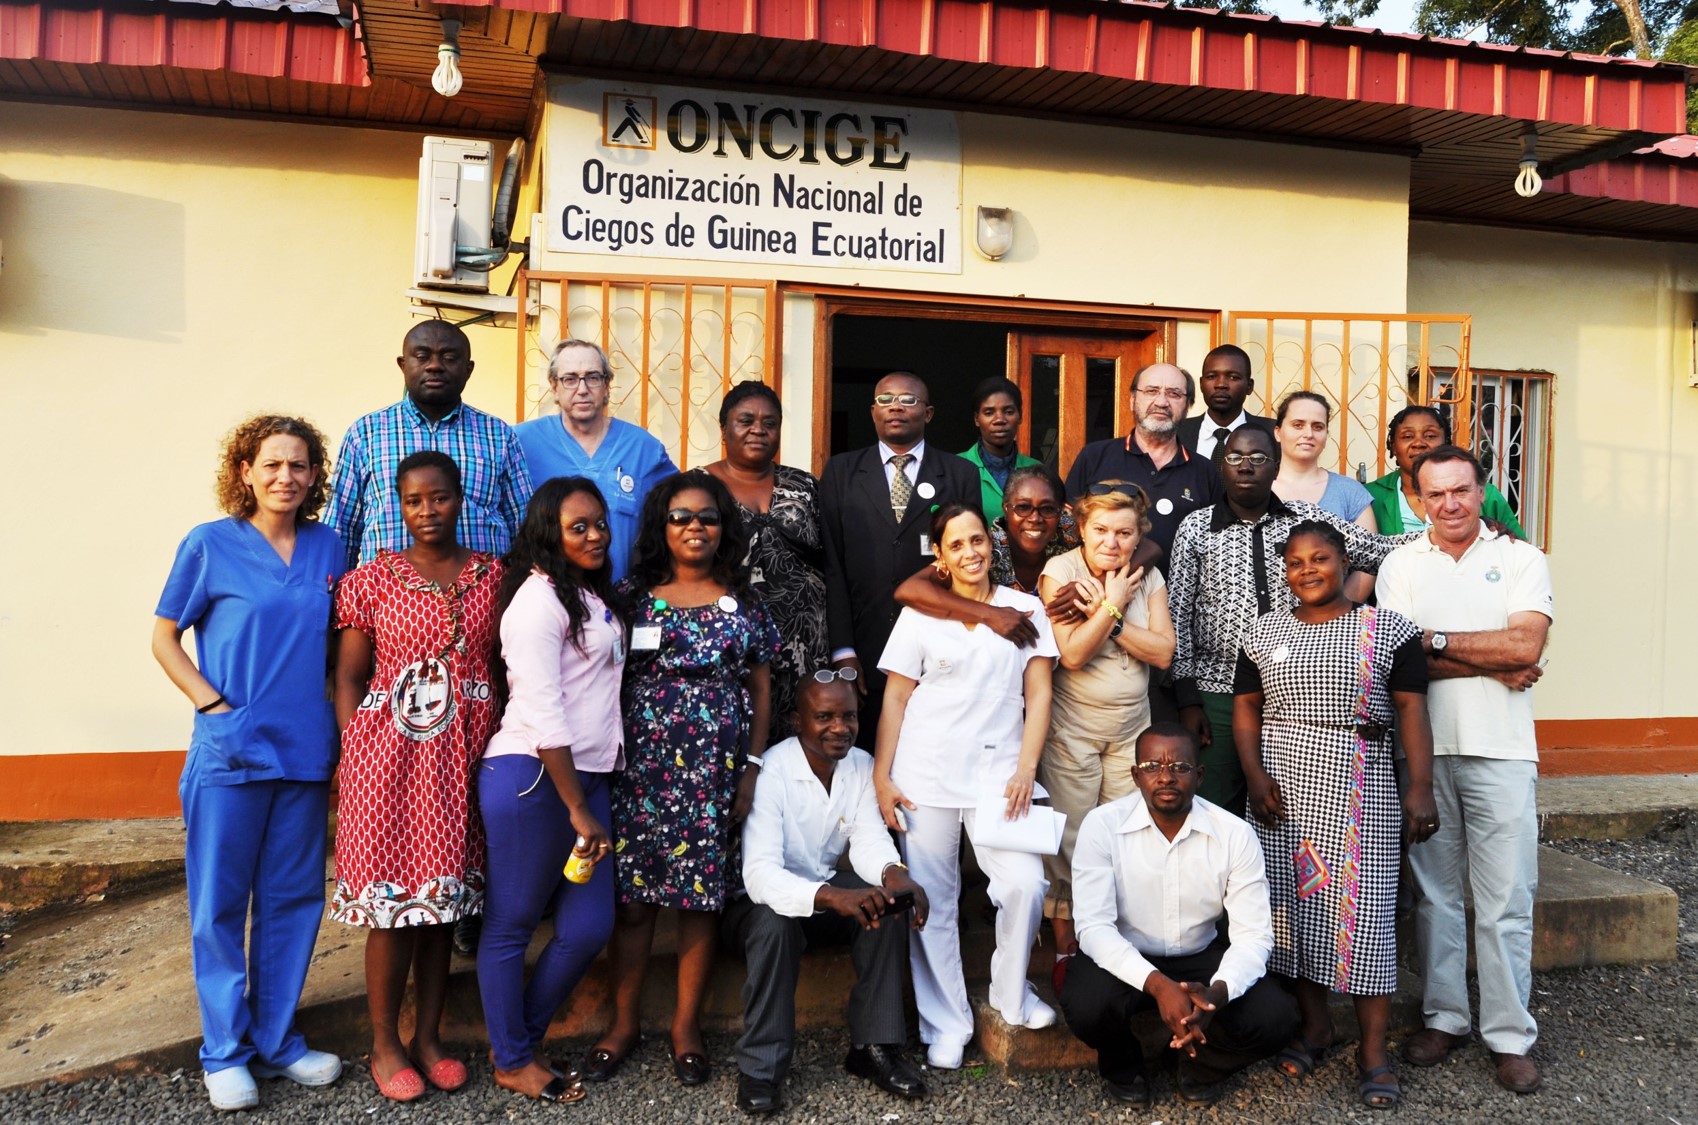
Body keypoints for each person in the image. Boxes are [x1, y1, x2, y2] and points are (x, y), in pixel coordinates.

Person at [151, 415, 347, 1111]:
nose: (285, 477)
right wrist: (213, 707)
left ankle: (277, 1040)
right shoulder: (210, 544)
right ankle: (224, 1052)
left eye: (298, 465)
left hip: (305, 750)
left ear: (314, 475)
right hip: (231, 751)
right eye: (271, 464)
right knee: (220, 904)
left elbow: (340, 646)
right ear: (244, 471)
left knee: (293, 899)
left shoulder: (330, 546)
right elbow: (165, 637)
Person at [1232, 520, 1439, 1110]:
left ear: (1344, 561)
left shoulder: (1388, 629)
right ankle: (1317, 1027)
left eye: (1319, 559)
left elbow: (1411, 710)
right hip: (1281, 789)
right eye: (1295, 563)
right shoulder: (1262, 631)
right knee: (1293, 911)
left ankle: (1373, 1052)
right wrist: (1254, 776)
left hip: (1360, 787)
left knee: (1366, 919)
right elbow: (1246, 709)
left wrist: (1420, 788)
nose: (1307, 571)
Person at [587, 470, 780, 1087]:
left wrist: (751, 768)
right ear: (661, 527)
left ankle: (685, 1028)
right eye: (680, 517)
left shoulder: (744, 600)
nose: (695, 527)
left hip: (714, 773)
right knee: (634, 903)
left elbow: (761, 688)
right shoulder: (629, 597)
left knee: (700, 901)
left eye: (707, 517)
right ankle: (622, 1025)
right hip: (641, 770)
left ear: (723, 528)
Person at [1376, 445, 1553, 1096]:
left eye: (1460, 490)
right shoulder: (1400, 564)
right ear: (1419, 499)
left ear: (1482, 491)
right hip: (1422, 752)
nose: (1449, 504)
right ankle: (1445, 1017)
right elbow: (1399, 661)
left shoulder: (1522, 559)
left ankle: (1509, 1036)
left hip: (1502, 750)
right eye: (1435, 493)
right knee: (1435, 895)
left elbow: (1526, 643)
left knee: (1506, 900)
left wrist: (1438, 642)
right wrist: (1491, 661)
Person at [330, 451, 501, 1101]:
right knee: (393, 907)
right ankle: (385, 1044)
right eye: (413, 500)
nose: (427, 510)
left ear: (460, 499)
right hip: (388, 762)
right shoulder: (371, 580)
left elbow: (503, 667)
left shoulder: (493, 576)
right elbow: (349, 677)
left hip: (464, 759)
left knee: (442, 903)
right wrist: (355, 754)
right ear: (398, 507)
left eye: (439, 497)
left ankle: (429, 1038)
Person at [873, 503, 1059, 1070]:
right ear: (940, 555)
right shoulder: (921, 614)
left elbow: (1040, 694)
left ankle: (1010, 993)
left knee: (1024, 885)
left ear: (991, 542)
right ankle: (946, 1022)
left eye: (976, 539)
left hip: (1001, 775)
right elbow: (897, 697)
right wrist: (882, 774)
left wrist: (1027, 767)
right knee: (932, 898)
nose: (970, 552)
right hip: (925, 771)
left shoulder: (1024, 608)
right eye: (956, 545)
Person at [1168, 427, 1414, 814]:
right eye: (1235, 458)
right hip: (1218, 692)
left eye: (1258, 458)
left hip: (1295, 694)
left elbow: (1377, 550)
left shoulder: (1305, 518)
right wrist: (1187, 700)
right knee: (1216, 808)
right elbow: (1178, 613)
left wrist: (1453, 533)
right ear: (1222, 467)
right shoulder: (1197, 528)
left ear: (1276, 465)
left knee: (1287, 808)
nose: (1245, 467)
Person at [476, 477, 625, 1105]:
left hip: (586, 778)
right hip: (534, 778)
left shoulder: (589, 594)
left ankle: (519, 1041)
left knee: (589, 926)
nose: (594, 535)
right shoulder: (536, 602)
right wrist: (575, 806)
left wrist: (586, 795)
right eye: (577, 527)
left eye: (599, 523)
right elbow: (541, 710)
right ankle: (513, 1059)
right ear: (548, 533)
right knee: (512, 923)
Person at [1060, 723, 1299, 1109]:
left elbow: (1254, 936)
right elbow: (1094, 928)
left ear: (1199, 775)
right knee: (1086, 1003)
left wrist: (1215, 997)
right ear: (1135, 775)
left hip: (1200, 955)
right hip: (1128, 953)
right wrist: (1159, 985)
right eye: (1152, 766)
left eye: (1180, 767)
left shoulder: (1234, 834)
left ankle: (1197, 1065)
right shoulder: (1102, 826)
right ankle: (1124, 1067)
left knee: (1276, 1018)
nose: (1166, 776)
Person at [725, 671, 932, 1115]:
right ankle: (761, 1068)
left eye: (849, 716)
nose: (840, 727)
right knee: (774, 924)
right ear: (797, 720)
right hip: (756, 908)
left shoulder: (859, 764)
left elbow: (869, 839)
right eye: (825, 717)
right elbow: (760, 875)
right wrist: (833, 897)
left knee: (885, 904)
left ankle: (874, 1048)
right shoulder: (773, 771)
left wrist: (895, 875)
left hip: (821, 898)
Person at [1037, 481, 1174, 985]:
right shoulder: (1060, 572)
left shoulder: (1147, 575)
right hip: (1072, 730)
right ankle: (1066, 950)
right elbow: (1072, 653)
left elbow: (1163, 652)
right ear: (1080, 528)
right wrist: (1114, 604)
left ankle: (1114, 946)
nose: (1111, 542)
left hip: (1131, 730)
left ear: (1139, 535)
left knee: (1122, 838)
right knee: (1069, 839)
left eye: (1124, 533)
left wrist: (1110, 614)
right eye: (1100, 530)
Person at [819, 372, 979, 750]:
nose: (895, 407)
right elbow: (832, 566)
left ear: (928, 413)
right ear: (873, 411)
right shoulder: (841, 472)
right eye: (886, 399)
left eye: (908, 400)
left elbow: (969, 564)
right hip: (864, 649)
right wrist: (843, 651)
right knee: (866, 759)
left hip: (938, 649)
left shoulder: (960, 474)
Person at [326, 321, 532, 572]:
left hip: (483, 592)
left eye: (449, 357)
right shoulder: (365, 434)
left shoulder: (498, 435)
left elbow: (525, 529)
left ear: (468, 369)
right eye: (422, 356)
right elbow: (341, 529)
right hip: (386, 594)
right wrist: (338, 592)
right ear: (403, 365)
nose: (435, 366)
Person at [704, 382, 828, 741]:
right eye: (746, 421)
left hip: (805, 646)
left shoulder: (804, 486)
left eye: (769, 423)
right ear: (724, 428)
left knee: (799, 747)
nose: (758, 430)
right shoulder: (697, 487)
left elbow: (831, 560)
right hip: (732, 641)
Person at [515, 339, 678, 581]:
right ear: (554, 386)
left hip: (618, 594)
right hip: (548, 594)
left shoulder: (642, 448)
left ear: (607, 385)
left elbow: (678, 512)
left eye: (593, 377)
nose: (582, 389)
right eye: (570, 379)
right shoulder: (521, 442)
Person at [891, 465, 1072, 648]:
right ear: (1005, 508)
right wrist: (990, 614)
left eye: (1048, 509)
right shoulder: (984, 548)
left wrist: (1085, 587)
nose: (1035, 518)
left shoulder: (1070, 538)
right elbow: (908, 590)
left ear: (1061, 511)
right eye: (1023, 507)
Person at [1064, 362, 1217, 567]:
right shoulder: (1094, 457)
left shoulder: (1205, 471)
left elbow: (1215, 545)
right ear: (1133, 400)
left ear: (1187, 406)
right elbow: (1067, 526)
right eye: (1151, 391)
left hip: (1179, 589)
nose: (1161, 402)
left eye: (1174, 394)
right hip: (1100, 586)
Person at [1363, 404, 1526, 537]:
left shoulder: (1483, 493)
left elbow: (1520, 548)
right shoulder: (1369, 496)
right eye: (1407, 436)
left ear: (1446, 442)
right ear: (1393, 446)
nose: (1418, 443)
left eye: (1430, 436)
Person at [1270, 391, 1377, 530]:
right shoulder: (1256, 489)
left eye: (1317, 427)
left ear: (1326, 435)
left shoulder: (1351, 493)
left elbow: (1368, 543)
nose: (1308, 434)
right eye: (1298, 425)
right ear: (1278, 432)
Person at [1175, 344, 1277, 471]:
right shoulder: (1176, 432)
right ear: (1201, 384)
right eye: (1211, 376)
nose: (1221, 384)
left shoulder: (1273, 434)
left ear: (1249, 386)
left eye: (1233, 377)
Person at [960, 376, 1040, 523]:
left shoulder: (1037, 470)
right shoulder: (955, 468)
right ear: (977, 419)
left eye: (1008, 412)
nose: (999, 420)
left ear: (1020, 416)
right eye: (989, 413)